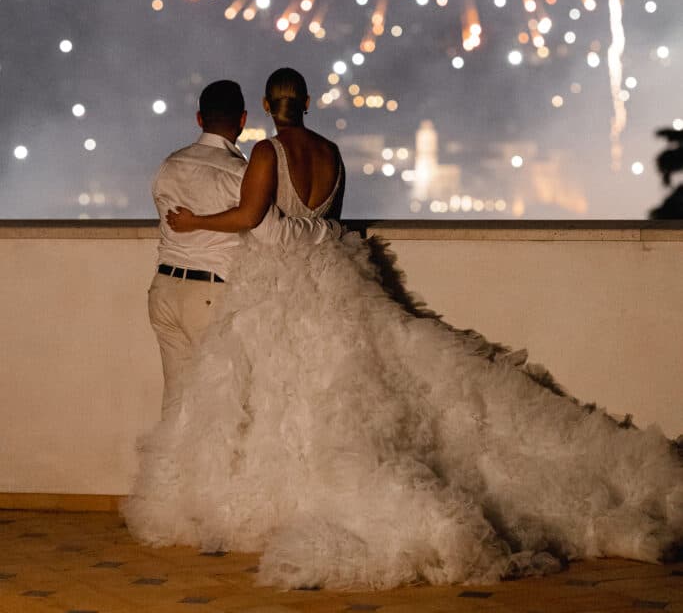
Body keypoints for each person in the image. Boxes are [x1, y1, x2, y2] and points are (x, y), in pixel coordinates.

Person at [125, 68, 683, 591]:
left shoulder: (268, 152)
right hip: (335, 274)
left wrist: (195, 221)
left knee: (287, 394)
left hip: (279, 280)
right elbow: (325, 222)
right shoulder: (332, 153)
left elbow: (252, 219)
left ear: (269, 109)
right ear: (307, 103)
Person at [149, 77, 340, 414]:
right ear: (242, 119)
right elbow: (271, 232)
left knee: (176, 403)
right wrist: (326, 229)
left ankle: (172, 469)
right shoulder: (241, 173)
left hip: (164, 291)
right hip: (210, 295)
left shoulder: (168, 165)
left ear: (199, 119)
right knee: (223, 409)